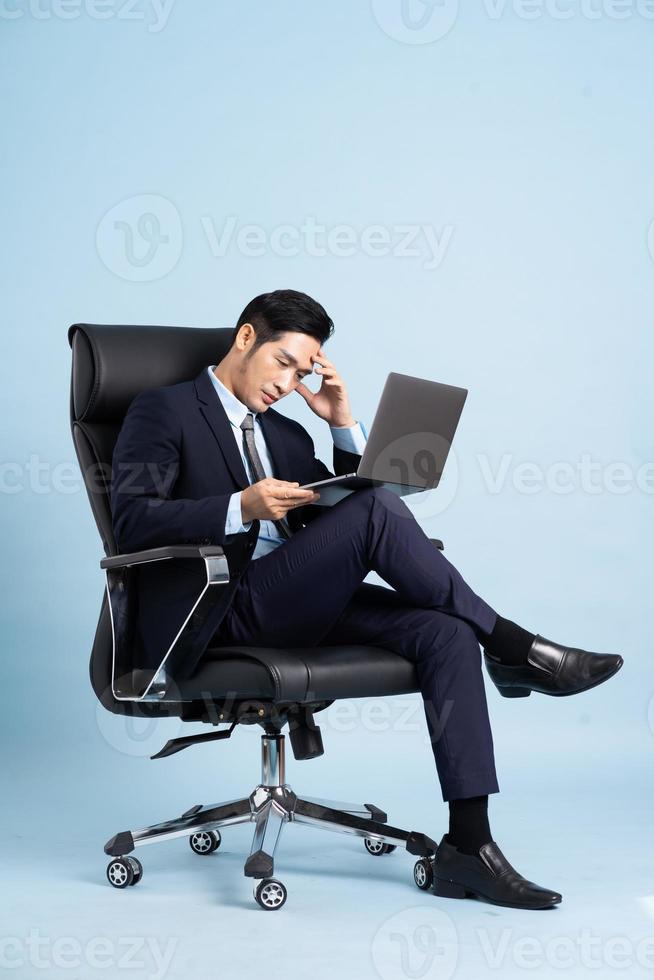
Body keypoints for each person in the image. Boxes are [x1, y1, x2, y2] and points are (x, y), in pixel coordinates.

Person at [110, 288, 623, 910]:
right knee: (382, 514)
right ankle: (515, 647)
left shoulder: (288, 433)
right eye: (284, 362)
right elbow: (133, 522)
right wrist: (238, 508)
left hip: (299, 602)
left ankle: (470, 846)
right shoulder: (162, 411)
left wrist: (340, 423)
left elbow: (347, 504)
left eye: (304, 372)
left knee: (445, 630)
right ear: (246, 338)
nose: (289, 381)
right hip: (221, 608)